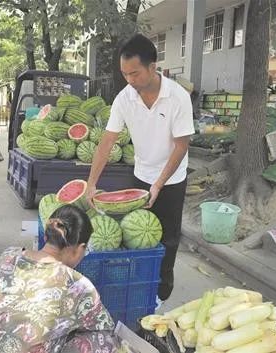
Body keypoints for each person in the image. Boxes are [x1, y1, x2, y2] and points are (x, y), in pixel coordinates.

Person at [86, 34, 195, 306]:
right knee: (135, 236)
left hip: (171, 179)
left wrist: (159, 184)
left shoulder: (178, 97)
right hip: (140, 175)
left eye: (134, 73)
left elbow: (181, 146)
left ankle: (161, 295)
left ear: (152, 67)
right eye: (125, 74)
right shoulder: (125, 98)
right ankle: (137, 286)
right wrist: (90, 183)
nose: (129, 80)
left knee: (167, 240)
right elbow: (107, 142)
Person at [0, 205, 125, 353]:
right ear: (80, 249)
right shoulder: (77, 285)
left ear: (46, 237)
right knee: (104, 341)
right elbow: (105, 329)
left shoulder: (9, 255)